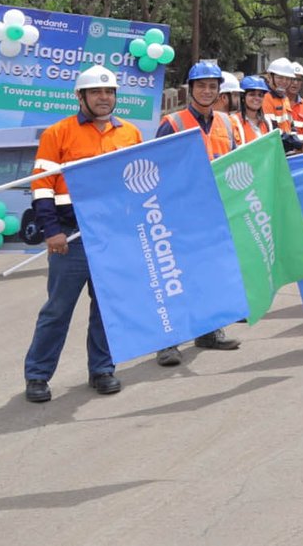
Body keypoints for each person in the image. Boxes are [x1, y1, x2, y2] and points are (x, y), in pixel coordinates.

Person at [23, 64, 141, 403]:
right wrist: (52, 231)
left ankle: (102, 369)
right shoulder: (57, 133)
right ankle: (37, 376)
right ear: (80, 96)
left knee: (105, 308)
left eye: (109, 92)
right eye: (97, 92)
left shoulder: (130, 133)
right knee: (57, 310)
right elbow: (42, 187)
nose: (104, 98)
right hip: (70, 239)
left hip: (113, 238)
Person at [152, 61, 241, 367]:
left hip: (215, 214)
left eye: (212, 86)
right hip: (181, 215)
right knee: (176, 279)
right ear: (190, 89)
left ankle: (208, 331)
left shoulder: (227, 124)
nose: (207, 91)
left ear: (219, 91)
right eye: (201, 86)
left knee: (210, 275)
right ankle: (168, 343)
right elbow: (157, 170)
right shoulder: (173, 123)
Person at [233, 75, 303, 153]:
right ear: (243, 97)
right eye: (252, 94)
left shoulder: (267, 122)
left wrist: (300, 145)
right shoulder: (234, 122)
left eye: (260, 95)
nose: (257, 98)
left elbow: (282, 139)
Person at [261, 58, 296, 133]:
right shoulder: (265, 97)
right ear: (270, 76)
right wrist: (295, 143)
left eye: (288, 78)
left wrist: (296, 140)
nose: (284, 81)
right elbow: (272, 129)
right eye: (280, 77)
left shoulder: (284, 97)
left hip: (286, 143)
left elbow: (291, 125)